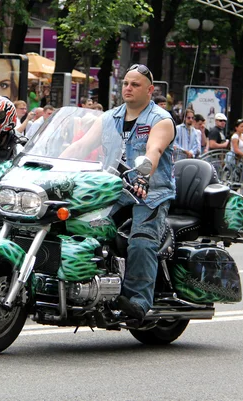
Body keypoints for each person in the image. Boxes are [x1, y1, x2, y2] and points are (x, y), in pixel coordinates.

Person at [60, 63, 175, 322]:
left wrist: (144, 176)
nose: (128, 88)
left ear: (149, 90)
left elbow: (153, 151)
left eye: (135, 84)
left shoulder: (161, 120)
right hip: (112, 188)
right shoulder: (109, 118)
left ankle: (138, 301)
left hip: (150, 192)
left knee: (142, 241)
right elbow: (80, 146)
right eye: (125, 83)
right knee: (79, 224)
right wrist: (55, 165)